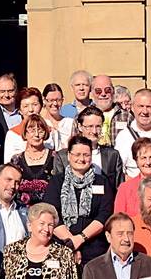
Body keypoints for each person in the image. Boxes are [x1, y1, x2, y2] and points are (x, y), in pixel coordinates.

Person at [44, 136, 115, 266]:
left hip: (95, 248)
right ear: (69, 155)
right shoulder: (56, 182)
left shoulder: (102, 182)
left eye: (86, 155)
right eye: (77, 154)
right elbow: (51, 214)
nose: (81, 159)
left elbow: (104, 215)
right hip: (62, 246)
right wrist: (71, 243)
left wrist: (80, 238)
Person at [53, 106, 125, 187]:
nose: (94, 131)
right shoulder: (63, 156)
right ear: (80, 127)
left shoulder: (112, 155)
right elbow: (58, 186)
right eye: (90, 126)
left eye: (98, 126)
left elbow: (119, 188)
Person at [9, 114, 56, 206]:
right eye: (32, 131)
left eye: (40, 131)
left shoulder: (55, 158)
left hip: (48, 210)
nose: (37, 135)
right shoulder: (16, 160)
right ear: (25, 134)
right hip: (22, 209)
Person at [3, 88, 51, 163]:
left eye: (35, 105)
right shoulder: (12, 134)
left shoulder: (51, 130)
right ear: (19, 110)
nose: (31, 110)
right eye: (26, 106)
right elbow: (8, 164)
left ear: (41, 106)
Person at [41, 83, 76, 153]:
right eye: (51, 100)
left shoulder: (70, 123)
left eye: (58, 100)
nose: (55, 104)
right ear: (44, 100)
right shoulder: (41, 123)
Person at [0, 73, 22, 140]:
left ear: (16, 92)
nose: (6, 95)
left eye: (10, 91)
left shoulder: (24, 112)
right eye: (2, 91)